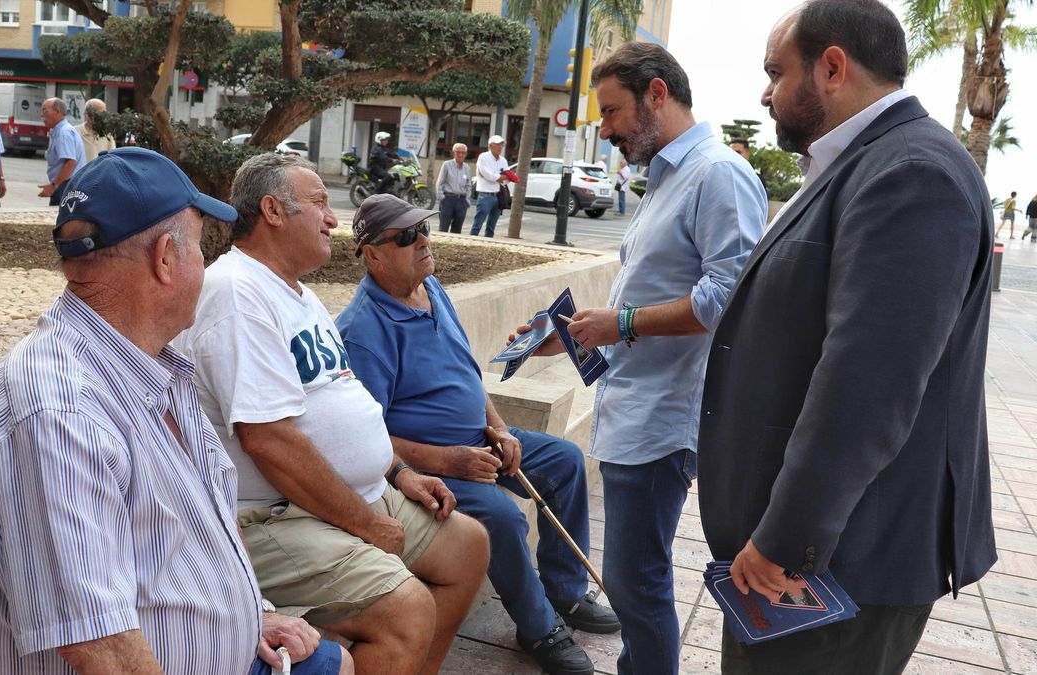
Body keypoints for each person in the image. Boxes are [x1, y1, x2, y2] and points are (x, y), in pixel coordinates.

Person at [0, 146, 352, 675]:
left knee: (337, 664)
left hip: (221, 650)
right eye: (202, 248)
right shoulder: (59, 412)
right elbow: (101, 650)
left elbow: (191, 533)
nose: (208, 264)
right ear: (165, 259)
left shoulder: (154, 366)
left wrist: (253, 616)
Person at [697, 2, 998, 673]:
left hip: (837, 566)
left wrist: (785, 539)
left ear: (832, 67)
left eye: (776, 72)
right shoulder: (860, 160)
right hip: (814, 559)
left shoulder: (911, 171)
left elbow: (868, 387)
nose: (765, 92)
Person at [172, 152, 489, 675]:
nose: (334, 218)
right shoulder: (237, 294)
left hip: (359, 492)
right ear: (273, 211)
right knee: (406, 608)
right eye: (319, 202)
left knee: (468, 546)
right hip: (274, 513)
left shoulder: (298, 293)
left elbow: (341, 403)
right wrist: (367, 525)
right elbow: (268, 441)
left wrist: (399, 471)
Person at [513, 42, 766, 675]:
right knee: (632, 583)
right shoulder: (667, 176)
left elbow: (727, 298)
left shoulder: (718, 173)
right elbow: (653, 293)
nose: (605, 130)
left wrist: (620, 323)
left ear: (657, 94)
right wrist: (572, 333)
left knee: (636, 584)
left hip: (663, 418)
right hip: (633, 410)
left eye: (613, 111)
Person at [336, 194, 620, 675]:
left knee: (566, 461)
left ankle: (566, 593)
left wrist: (503, 429)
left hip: (481, 439)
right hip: (430, 468)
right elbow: (366, 436)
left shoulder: (433, 287)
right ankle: (538, 628)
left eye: (423, 228)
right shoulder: (362, 331)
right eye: (405, 237)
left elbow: (467, 373)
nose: (422, 240)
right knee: (502, 518)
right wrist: (449, 461)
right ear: (372, 253)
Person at [39, 97, 86, 206]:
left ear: (57, 112)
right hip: (65, 186)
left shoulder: (63, 133)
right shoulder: (61, 130)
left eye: (45, 111)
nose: (42, 115)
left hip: (66, 187)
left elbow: (70, 162)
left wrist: (54, 186)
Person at [470, 134, 510, 238]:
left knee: (492, 226)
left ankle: (488, 242)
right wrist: (501, 177)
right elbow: (487, 175)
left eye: (502, 145)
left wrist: (502, 178)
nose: (500, 147)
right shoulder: (483, 157)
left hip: (498, 195)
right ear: (491, 146)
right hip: (485, 195)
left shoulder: (503, 160)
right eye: (498, 145)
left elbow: (507, 178)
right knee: (478, 223)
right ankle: (472, 241)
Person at [435, 142, 472, 233]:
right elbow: (440, 182)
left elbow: (468, 185)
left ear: (466, 154)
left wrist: (467, 200)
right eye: (458, 152)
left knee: (457, 229)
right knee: (443, 228)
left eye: (463, 153)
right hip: (448, 199)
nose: (460, 154)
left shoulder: (467, 168)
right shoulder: (447, 165)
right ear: (453, 152)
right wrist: (442, 198)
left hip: (461, 201)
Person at [75, 97, 116, 163]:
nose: (103, 117)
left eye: (104, 113)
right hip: (82, 172)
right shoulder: (75, 132)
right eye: (100, 114)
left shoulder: (107, 134)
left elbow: (112, 157)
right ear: (87, 115)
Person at [369, 130, 400, 195]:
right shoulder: (377, 149)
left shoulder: (383, 148)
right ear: (379, 140)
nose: (386, 141)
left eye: (386, 140)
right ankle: (377, 190)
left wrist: (399, 157)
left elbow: (391, 153)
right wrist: (392, 160)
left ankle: (388, 190)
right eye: (384, 140)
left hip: (380, 168)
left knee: (395, 175)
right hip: (375, 168)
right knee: (388, 176)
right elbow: (383, 157)